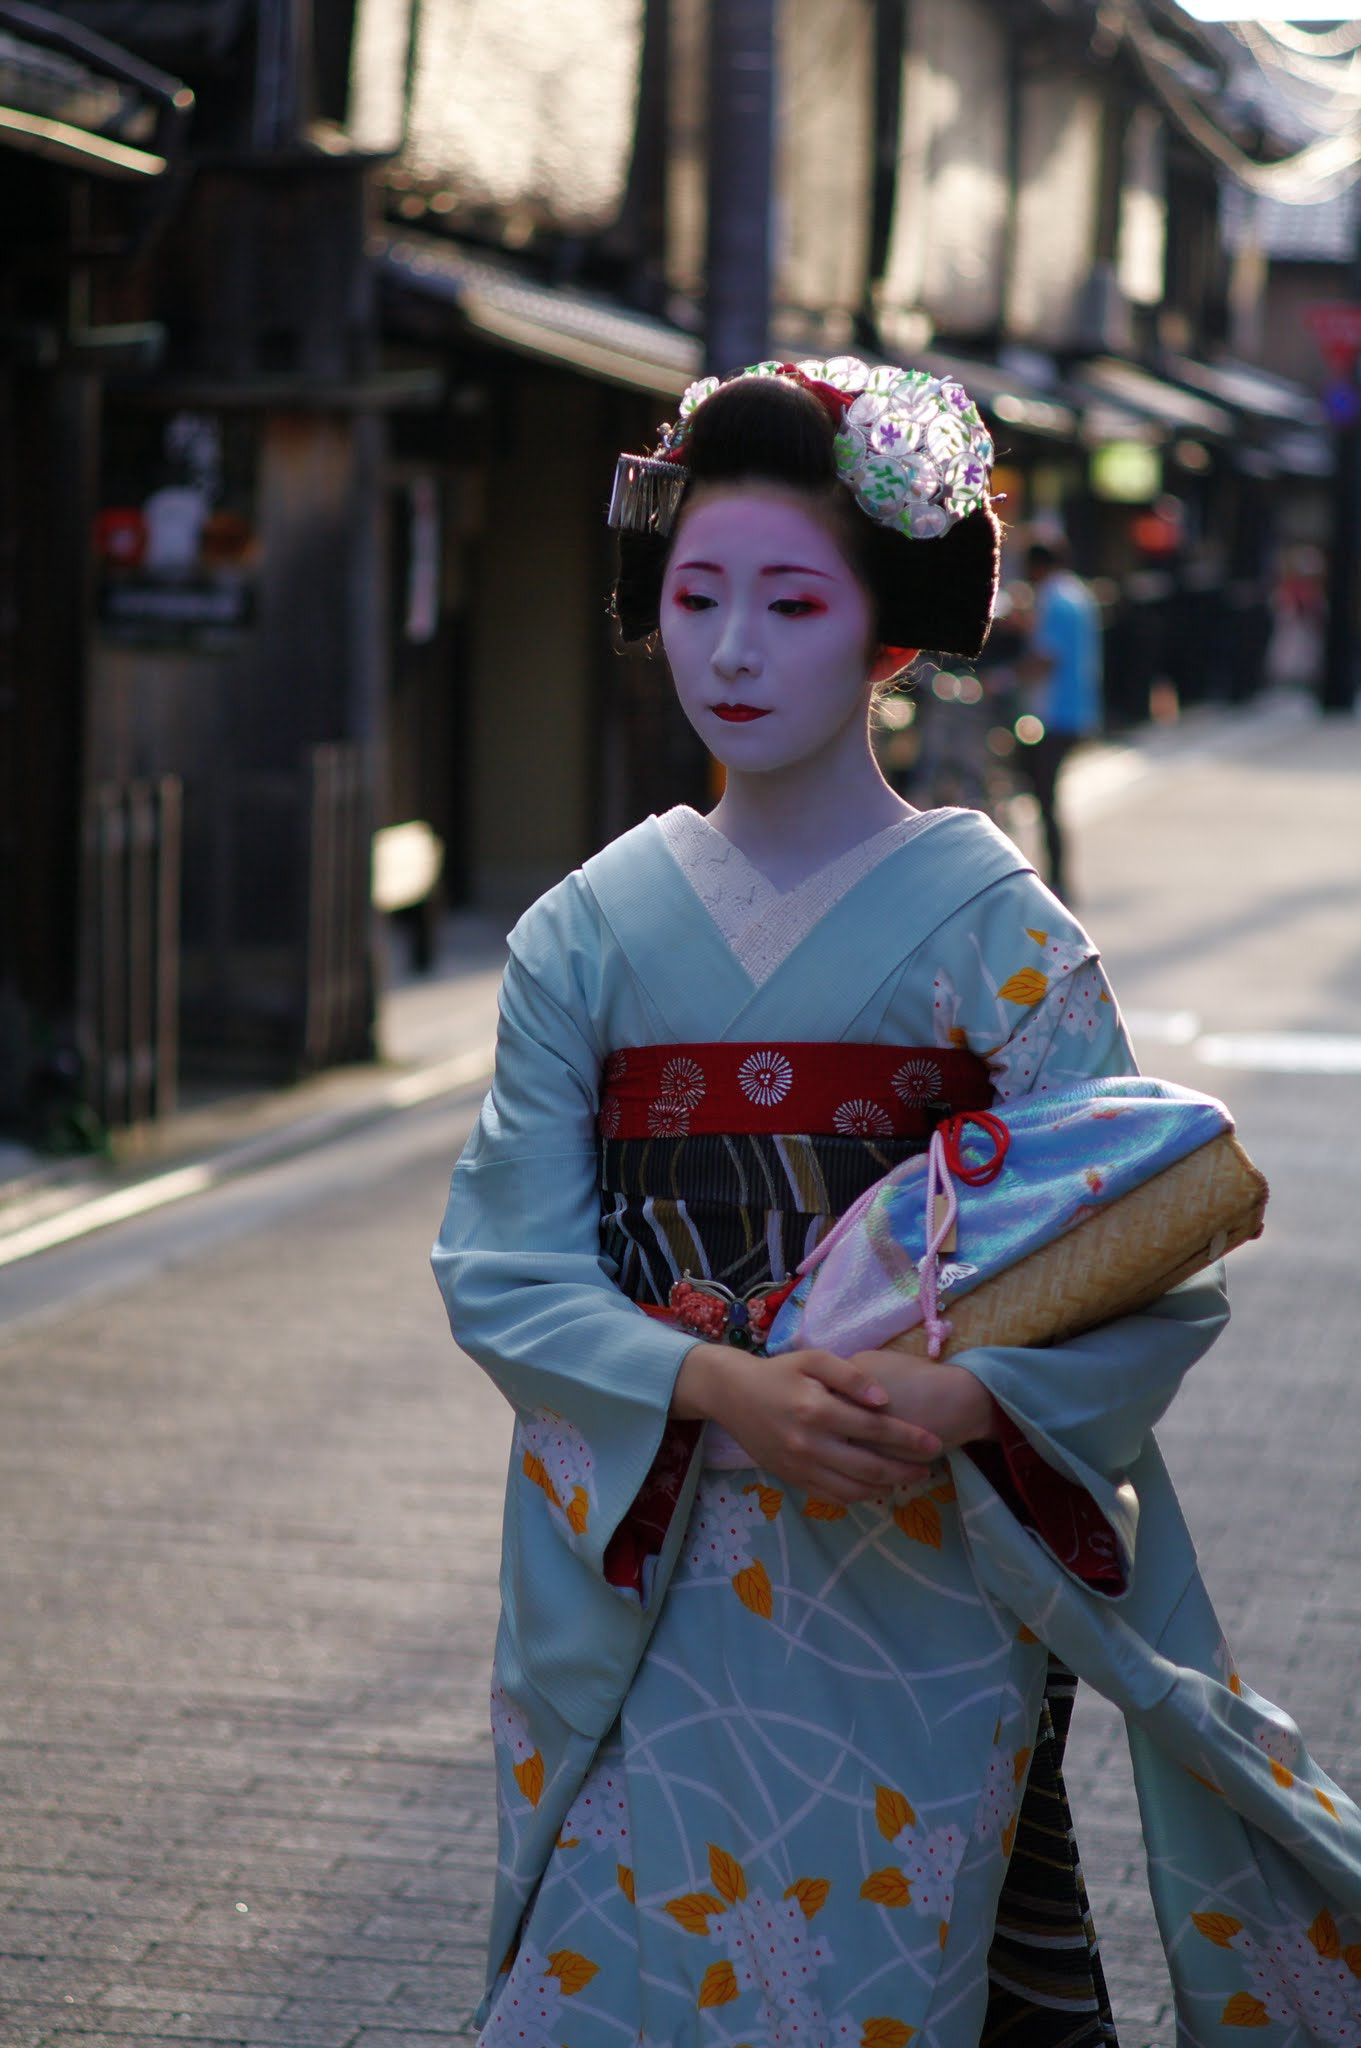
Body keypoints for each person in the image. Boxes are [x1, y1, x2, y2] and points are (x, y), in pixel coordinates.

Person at [432, 360, 1232, 2046]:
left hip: (917, 1562)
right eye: (696, 595)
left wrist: (968, 1391)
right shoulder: (589, 930)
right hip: (658, 1566)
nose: (730, 647)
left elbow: (1140, 1252)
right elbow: (503, 1262)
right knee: (618, 1974)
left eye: (789, 602)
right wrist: (717, 1383)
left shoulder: (991, 925)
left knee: (887, 1984)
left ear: (885, 635)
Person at [1018, 535, 1102, 904]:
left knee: (1045, 798)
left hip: (1053, 713)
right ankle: (1057, 878)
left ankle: (1056, 880)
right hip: (1079, 708)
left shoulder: (1052, 598)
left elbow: (1046, 657)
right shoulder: (1079, 594)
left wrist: (1005, 678)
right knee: (1048, 796)